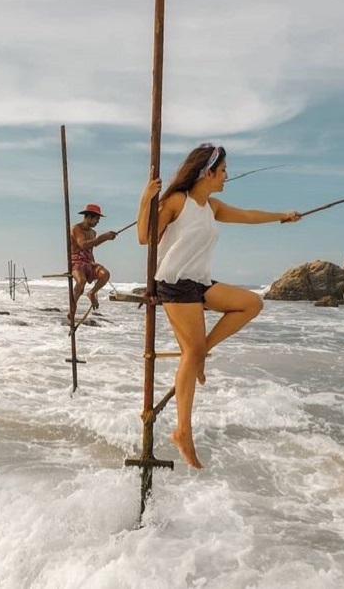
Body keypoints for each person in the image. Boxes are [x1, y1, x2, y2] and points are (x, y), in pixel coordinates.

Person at [137, 144, 301, 469]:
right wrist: (145, 200)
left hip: (199, 282)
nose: (227, 176)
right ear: (207, 172)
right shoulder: (176, 202)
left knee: (250, 303)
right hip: (174, 283)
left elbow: (248, 215)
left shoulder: (211, 207)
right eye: (223, 170)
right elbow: (145, 237)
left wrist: (282, 216)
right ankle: (183, 431)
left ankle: (198, 356)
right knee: (192, 352)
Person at [70, 203, 117, 316]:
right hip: (76, 262)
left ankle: (92, 293)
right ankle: (72, 308)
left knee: (105, 274)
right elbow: (83, 245)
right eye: (97, 219)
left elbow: (92, 247)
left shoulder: (93, 232)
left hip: (88, 262)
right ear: (89, 217)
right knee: (81, 281)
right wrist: (104, 237)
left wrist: (106, 238)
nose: (98, 222)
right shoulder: (76, 228)